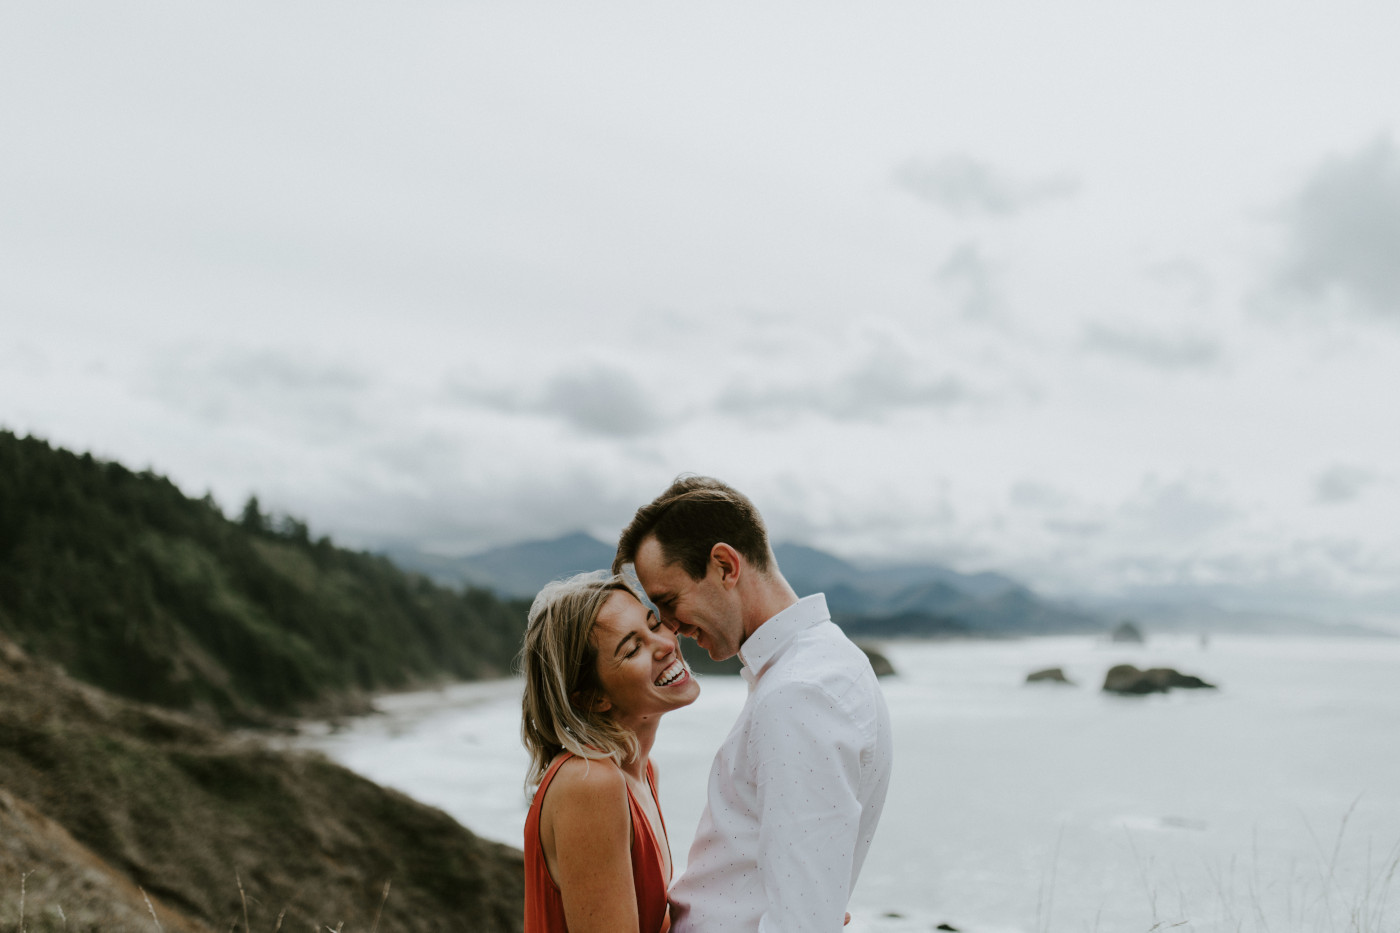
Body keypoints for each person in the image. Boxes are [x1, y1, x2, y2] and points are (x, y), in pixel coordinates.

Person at [613, 476, 893, 933]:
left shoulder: (798, 693)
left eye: (668, 600)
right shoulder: (820, 667)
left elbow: (800, 923)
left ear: (725, 565)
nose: (668, 627)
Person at [520, 570, 701, 933]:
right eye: (632, 648)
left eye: (654, 624)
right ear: (592, 697)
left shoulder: (643, 772)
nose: (664, 643)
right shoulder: (589, 783)